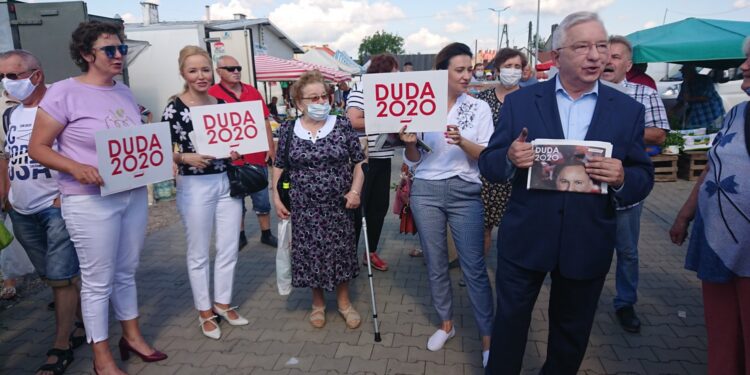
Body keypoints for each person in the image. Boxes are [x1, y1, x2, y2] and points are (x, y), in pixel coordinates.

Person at [479, 12, 654, 374]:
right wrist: (510, 157)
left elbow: (643, 176)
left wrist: (622, 177)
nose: (595, 55)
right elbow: (489, 164)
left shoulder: (627, 111)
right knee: (509, 327)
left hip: (587, 242)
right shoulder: (521, 103)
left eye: (602, 46)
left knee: (570, 335)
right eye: (582, 46)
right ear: (557, 55)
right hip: (525, 240)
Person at [29, 21, 167, 374]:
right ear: (87, 54)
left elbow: (132, 141)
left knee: (126, 270)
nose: (119, 55)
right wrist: (75, 167)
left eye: (121, 48)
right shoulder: (63, 93)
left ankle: (132, 336)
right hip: (89, 199)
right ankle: (101, 355)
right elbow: (38, 148)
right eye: (110, 50)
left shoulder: (122, 91)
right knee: (96, 279)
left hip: (131, 192)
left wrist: (165, 159)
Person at [399, 42, 494, 367]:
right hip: (425, 190)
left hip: (465, 192)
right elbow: (413, 160)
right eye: (461, 70)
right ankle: (446, 324)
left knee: (474, 267)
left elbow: (487, 155)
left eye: (471, 69)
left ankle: (487, 338)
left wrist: (462, 140)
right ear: (443, 73)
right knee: (436, 262)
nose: (468, 75)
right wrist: (409, 143)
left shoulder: (478, 108)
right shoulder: (421, 104)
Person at [0, 49, 88, 375]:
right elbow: (7, 157)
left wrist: (67, 196)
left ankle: (60, 345)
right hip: (22, 210)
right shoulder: (10, 115)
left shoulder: (61, 106)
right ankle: (80, 325)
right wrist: (7, 195)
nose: (6, 83)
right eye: (1, 77)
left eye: (13, 75)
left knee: (62, 278)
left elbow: (85, 149)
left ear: (36, 75)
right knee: (54, 278)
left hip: (56, 207)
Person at [669, 36, 750, 375]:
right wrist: (685, 214)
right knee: (722, 335)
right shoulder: (736, 114)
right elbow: (712, 167)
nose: (744, 66)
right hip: (717, 243)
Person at [163, 46, 248, 340]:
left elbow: (231, 142)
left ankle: (222, 303)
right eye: (193, 71)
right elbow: (160, 151)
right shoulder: (174, 108)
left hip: (226, 180)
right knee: (198, 252)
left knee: (228, 246)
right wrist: (186, 158)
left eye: (205, 70)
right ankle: (204, 311)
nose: (201, 76)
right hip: (195, 184)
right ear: (183, 74)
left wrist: (236, 151)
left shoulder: (220, 102)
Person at [272, 70, 365, 329]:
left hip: (339, 204)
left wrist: (355, 191)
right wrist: (276, 197)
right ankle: (318, 304)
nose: (321, 102)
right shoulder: (289, 129)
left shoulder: (342, 125)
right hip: (304, 205)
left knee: (341, 251)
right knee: (310, 254)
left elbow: (360, 162)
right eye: (313, 98)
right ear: (299, 102)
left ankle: (344, 303)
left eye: (324, 96)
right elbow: (279, 166)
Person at [601, 35, 670, 333]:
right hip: (590, 187)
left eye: (616, 56)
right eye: (605, 55)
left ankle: (625, 302)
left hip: (627, 187)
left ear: (627, 64)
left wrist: (619, 132)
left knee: (627, 250)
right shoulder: (588, 94)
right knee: (589, 246)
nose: (608, 61)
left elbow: (658, 135)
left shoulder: (644, 94)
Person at [207, 54, 277, 250]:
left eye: (238, 68)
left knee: (262, 197)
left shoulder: (252, 91)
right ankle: (240, 235)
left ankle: (266, 233)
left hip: (256, 156)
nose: (236, 71)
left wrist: (270, 148)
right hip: (230, 160)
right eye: (230, 69)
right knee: (235, 200)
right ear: (219, 72)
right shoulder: (212, 94)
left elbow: (264, 121)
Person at [346, 54, 399, 271]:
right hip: (363, 159)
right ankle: (347, 255)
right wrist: (385, 120)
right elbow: (353, 120)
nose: (397, 77)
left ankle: (370, 252)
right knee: (358, 210)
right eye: (393, 72)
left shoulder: (394, 93)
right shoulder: (361, 89)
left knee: (379, 207)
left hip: (384, 156)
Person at [475, 48, 526, 254]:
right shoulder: (483, 99)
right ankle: (477, 271)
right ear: (497, 69)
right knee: (483, 228)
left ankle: (509, 271)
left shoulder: (528, 98)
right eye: (508, 66)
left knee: (513, 230)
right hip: (487, 173)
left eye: (517, 67)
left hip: (517, 174)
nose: (512, 71)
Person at [674, 64, 726, 129]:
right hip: (698, 118)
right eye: (682, 72)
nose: (682, 74)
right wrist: (671, 112)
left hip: (713, 115)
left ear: (691, 71)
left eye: (684, 72)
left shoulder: (705, 79)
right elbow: (681, 101)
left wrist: (688, 99)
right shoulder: (684, 84)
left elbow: (705, 97)